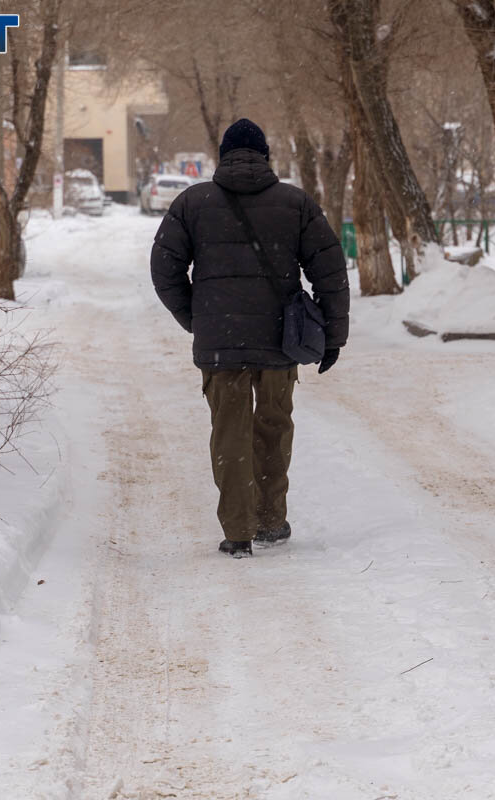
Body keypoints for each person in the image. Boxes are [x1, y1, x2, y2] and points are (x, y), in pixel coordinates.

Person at [149, 118, 350, 558]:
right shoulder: (295, 203)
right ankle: (270, 520)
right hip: (280, 342)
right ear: (265, 157)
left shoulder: (192, 203)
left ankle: (237, 531)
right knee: (274, 427)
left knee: (229, 432)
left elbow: (164, 269)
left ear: (223, 157)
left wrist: (196, 317)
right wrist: (333, 335)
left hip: (219, 342)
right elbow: (329, 272)